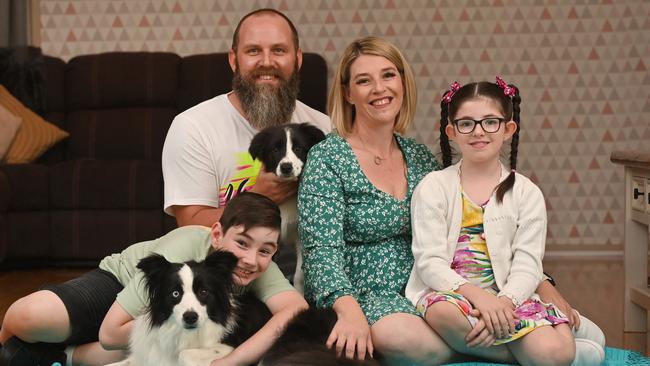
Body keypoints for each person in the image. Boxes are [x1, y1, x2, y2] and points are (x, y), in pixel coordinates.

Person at [405, 78, 604, 365]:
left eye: (490, 122)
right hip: (453, 295)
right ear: (452, 132)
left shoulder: (527, 193)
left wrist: (503, 303)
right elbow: (429, 261)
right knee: (442, 313)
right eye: (466, 124)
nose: (478, 132)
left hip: (508, 296)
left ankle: (552, 350)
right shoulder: (433, 186)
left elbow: (528, 264)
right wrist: (478, 298)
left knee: (553, 352)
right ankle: (530, 355)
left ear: (508, 129)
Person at [0, 192, 308, 366]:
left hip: (165, 324)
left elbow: (294, 309)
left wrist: (233, 360)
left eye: (266, 250)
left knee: (181, 337)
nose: (251, 259)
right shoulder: (184, 247)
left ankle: (57, 356)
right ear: (216, 234)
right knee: (30, 316)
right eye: (241, 243)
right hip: (120, 284)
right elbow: (110, 333)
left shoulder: (258, 264)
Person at [297, 36, 455, 365]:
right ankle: (509, 354)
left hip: (425, 287)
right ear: (347, 93)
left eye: (388, 75)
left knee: (472, 317)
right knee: (400, 337)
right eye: (363, 80)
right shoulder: (327, 158)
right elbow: (320, 252)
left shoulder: (419, 156)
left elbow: (458, 227)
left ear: (402, 81)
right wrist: (349, 309)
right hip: (362, 294)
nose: (379, 89)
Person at [162, 8, 331, 228]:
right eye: (253, 51)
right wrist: (257, 197)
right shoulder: (192, 128)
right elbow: (190, 226)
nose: (267, 62)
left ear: (297, 59)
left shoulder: (324, 129)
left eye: (279, 50)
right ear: (234, 60)